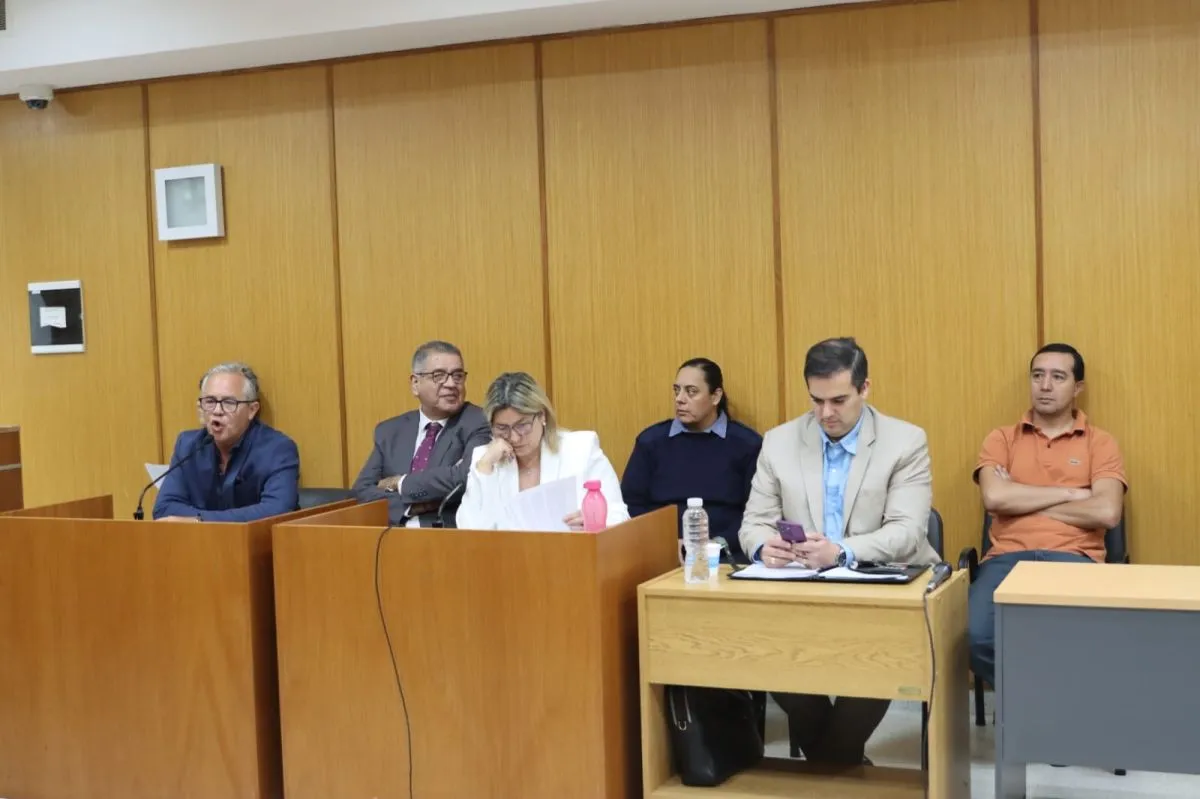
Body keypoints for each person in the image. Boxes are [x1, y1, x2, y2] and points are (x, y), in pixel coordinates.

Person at [739, 337, 939, 765]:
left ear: (865, 389)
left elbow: (906, 532)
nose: (826, 413)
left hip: (882, 588)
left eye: (839, 400)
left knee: (881, 658)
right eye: (816, 400)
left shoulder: (905, 442)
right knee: (770, 653)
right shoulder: (779, 441)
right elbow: (753, 522)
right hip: (799, 590)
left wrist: (841, 552)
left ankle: (831, 767)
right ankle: (842, 767)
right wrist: (762, 548)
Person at [969, 343, 1126, 688]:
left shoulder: (1100, 443)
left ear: (1077, 388)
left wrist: (1022, 495)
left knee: (1081, 644)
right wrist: (1072, 493)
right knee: (974, 636)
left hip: (1074, 558)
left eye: (1058, 377)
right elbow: (994, 497)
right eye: (1038, 375)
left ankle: (1046, 710)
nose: (1045, 385)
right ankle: (1031, 701)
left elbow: (1107, 511)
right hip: (1006, 559)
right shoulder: (1001, 439)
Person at [621, 358, 762, 561]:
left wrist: (715, 545)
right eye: (676, 390)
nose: (680, 398)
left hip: (727, 554)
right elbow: (631, 504)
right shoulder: (651, 442)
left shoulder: (747, 444)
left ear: (715, 396)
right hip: (662, 553)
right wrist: (664, 541)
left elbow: (756, 512)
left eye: (691, 391)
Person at [456, 371, 629, 530]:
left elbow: (620, 517)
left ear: (542, 416)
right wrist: (485, 468)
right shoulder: (486, 458)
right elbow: (469, 531)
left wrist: (594, 522)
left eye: (522, 426)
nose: (514, 437)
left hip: (572, 556)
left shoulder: (580, 448)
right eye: (502, 428)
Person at [353, 340, 491, 527]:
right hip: (391, 537)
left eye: (458, 376)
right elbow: (362, 491)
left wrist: (400, 483)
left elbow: (465, 477)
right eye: (439, 375)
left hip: (447, 537)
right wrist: (411, 506)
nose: (451, 384)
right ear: (415, 384)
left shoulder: (478, 421)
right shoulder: (390, 431)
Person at [154, 362, 299, 522]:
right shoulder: (188, 446)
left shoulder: (277, 449)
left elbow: (277, 511)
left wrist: (199, 521)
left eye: (229, 403)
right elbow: (164, 509)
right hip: (197, 545)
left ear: (252, 410)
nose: (217, 411)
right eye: (210, 401)